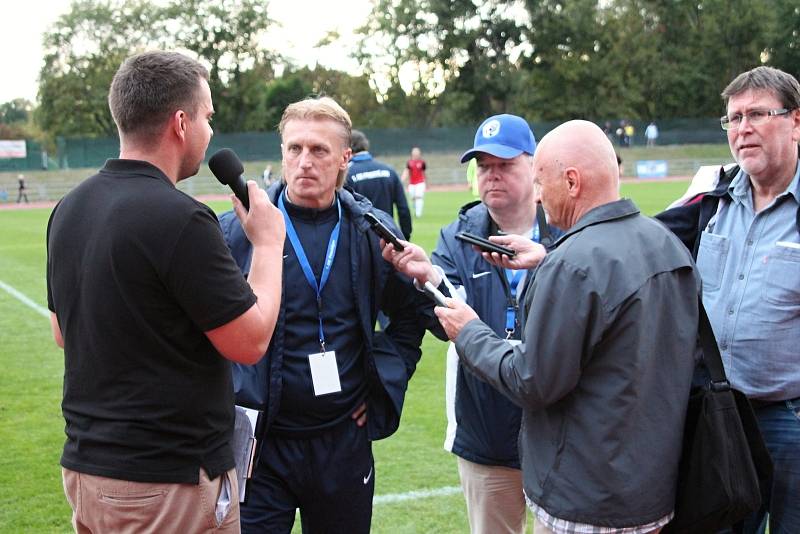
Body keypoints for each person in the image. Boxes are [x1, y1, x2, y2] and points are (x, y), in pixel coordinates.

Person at [389, 120, 700, 533]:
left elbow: (532, 380)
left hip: (587, 489)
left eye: (539, 180)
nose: (538, 193)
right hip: (650, 485)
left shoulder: (574, 261)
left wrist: (470, 331)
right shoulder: (664, 242)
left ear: (571, 181)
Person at [46, 51, 285, 532]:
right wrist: (266, 243)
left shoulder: (69, 208)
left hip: (89, 470)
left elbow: (63, 332)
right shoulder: (181, 218)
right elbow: (250, 341)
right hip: (166, 481)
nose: (211, 132)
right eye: (208, 117)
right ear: (181, 122)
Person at [218, 96, 447, 533]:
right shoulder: (237, 231)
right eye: (294, 149)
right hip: (261, 447)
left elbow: (414, 313)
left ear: (345, 158)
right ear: (282, 153)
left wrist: (385, 379)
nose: (305, 161)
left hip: (342, 440)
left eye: (319, 150)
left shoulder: (371, 230)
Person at [656, 65, 800, 534]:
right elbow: (638, 242)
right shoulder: (711, 199)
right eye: (733, 119)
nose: (742, 129)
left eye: (757, 114)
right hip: (719, 417)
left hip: (790, 422)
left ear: (795, 121)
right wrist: (553, 251)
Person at [433, 114, 561, 534]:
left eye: (504, 164)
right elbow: (443, 318)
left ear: (534, 165)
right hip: (484, 432)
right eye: (484, 166)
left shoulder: (566, 231)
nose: (492, 176)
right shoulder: (457, 237)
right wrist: (427, 281)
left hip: (559, 432)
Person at [346, 129, 412, 239]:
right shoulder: (389, 171)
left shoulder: (346, 174)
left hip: (360, 240)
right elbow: (403, 209)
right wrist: (405, 237)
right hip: (388, 238)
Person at [402, 146, 427, 217]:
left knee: (419, 197)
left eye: (417, 153)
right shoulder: (409, 162)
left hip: (420, 183)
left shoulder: (422, 162)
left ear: (419, 154)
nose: (416, 154)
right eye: (414, 153)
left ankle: (418, 214)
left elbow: (424, 173)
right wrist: (402, 180)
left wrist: (427, 182)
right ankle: (416, 210)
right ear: (412, 154)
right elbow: (406, 172)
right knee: (413, 198)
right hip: (412, 184)